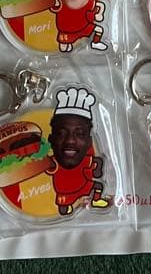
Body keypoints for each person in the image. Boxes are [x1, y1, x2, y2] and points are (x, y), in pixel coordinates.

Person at [47, 87, 110, 215]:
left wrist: (98, 169)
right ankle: (66, 206)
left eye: (80, 134)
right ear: (51, 139)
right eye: (61, 134)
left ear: (89, 141)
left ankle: (96, 200)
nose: (70, 140)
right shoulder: (52, 162)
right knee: (63, 206)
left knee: (98, 186)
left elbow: (96, 161)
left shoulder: (84, 158)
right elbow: (46, 167)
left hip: (84, 187)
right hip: (64, 193)